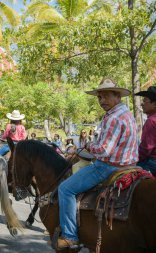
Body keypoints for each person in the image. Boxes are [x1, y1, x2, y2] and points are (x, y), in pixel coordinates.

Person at [57, 78, 138, 250]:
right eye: (99, 97)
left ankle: (70, 236)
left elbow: (103, 150)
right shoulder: (126, 113)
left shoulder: (113, 118)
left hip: (109, 167)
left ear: (117, 96)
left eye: (106, 96)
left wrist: (86, 145)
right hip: (131, 165)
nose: (102, 101)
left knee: (65, 189)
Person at [135, 86, 156, 174]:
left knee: (124, 173)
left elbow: (146, 149)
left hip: (152, 162)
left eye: (145, 101)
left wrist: (133, 158)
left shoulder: (151, 121)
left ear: (155, 104)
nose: (142, 104)